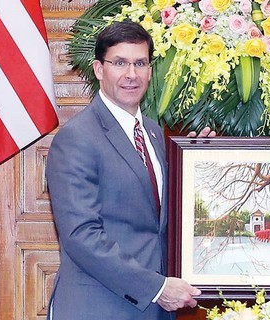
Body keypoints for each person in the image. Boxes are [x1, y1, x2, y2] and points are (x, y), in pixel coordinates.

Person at [46, 21, 214, 320]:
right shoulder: (77, 137)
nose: (131, 74)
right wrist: (156, 287)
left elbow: (159, 214)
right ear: (99, 69)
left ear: (150, 69)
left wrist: (201, 161)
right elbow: (81, 235)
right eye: (120, 63)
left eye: (140, 63)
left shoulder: (152, 132)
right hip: (100, 307)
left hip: (156, 309)